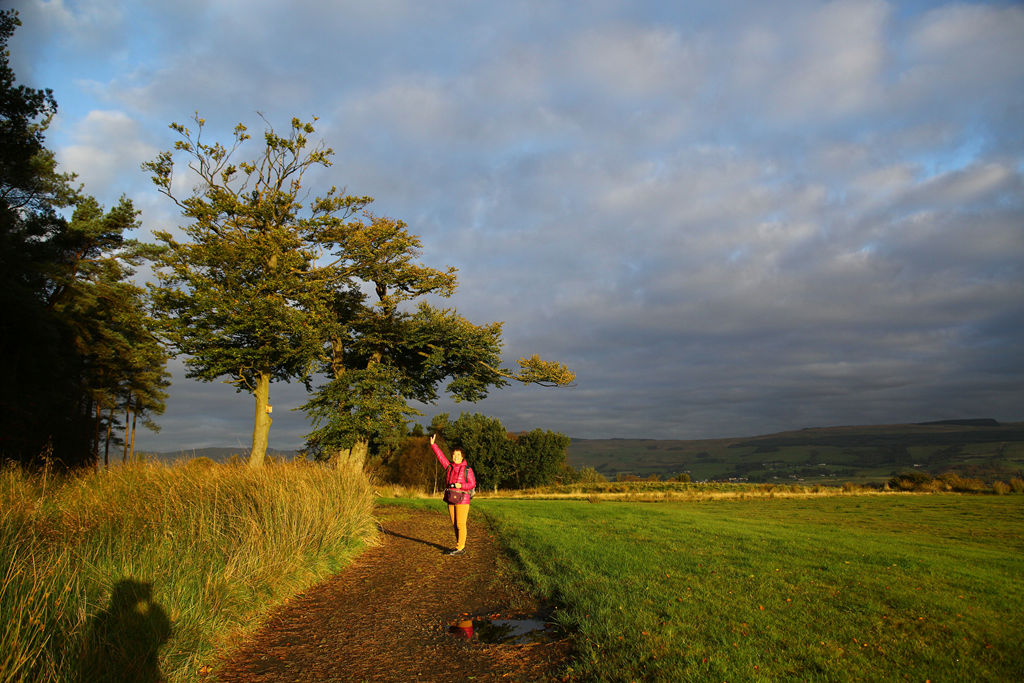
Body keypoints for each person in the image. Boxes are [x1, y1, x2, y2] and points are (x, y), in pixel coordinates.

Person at [430, 432, 476, 556]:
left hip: (463, 499)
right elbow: (441, 458)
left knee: (461, 524)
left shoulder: (467, 469)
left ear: (462, 457)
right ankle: (459, 546)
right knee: (455, 524)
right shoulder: (449, 467)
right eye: (454, 455)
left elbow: (472, 484)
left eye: (458, 455)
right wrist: (434, 445)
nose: (455, 457)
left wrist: (461, 486)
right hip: (450, 498)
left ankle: (460, 548)